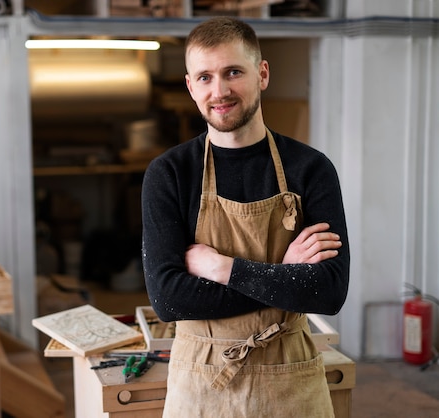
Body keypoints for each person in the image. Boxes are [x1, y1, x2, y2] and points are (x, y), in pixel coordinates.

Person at [141, 16, 350, 418]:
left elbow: (328, 292)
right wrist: (283, 273)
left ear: (262, 73)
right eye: (204, 77)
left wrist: (221, 268)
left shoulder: (311, 169)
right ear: (190, 86)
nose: (219, 91)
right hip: (202, 382)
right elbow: (169, 299)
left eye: (233, 72)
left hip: (291, 377)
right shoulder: (169, 174)